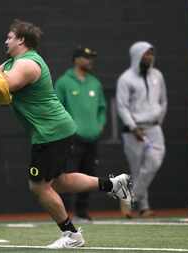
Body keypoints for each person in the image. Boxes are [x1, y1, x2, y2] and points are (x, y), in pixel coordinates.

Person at [0, 19, 132, 249]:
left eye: (9, 37)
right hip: (55, 130)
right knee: (58, 181)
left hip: (51, 132)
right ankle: (113, 185)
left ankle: (71, 235)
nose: (5, 41)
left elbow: (3, 86)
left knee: (38, 187)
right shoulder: (12, 62)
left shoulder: (27, 63)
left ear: (21, 39)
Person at [116, 41, 167, 218]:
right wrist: (133, 126)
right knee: (137, 169)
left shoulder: (157, 76)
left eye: (151, 53)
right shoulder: (126, 78)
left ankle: (128, 198)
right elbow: (122, 106)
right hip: (133, 131)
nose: (149, 57)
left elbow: (163, 101)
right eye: (146, 54)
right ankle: (143, 207)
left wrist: (158, 119)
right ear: (137, 55)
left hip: (153, 128)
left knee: (154, 162)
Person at [55, 47, 106, 222]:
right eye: (86, 57)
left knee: (89, 174)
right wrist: (69, 128)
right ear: (76, 59)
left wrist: (99, 125)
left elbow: (102, 109)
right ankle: (64, 214)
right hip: (72, 138)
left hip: (92, 138)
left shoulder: (95, 83)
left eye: (92, 57)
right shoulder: (63, 82)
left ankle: (82, 213)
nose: (91, 60)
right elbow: (57, 108)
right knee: (69, 175)